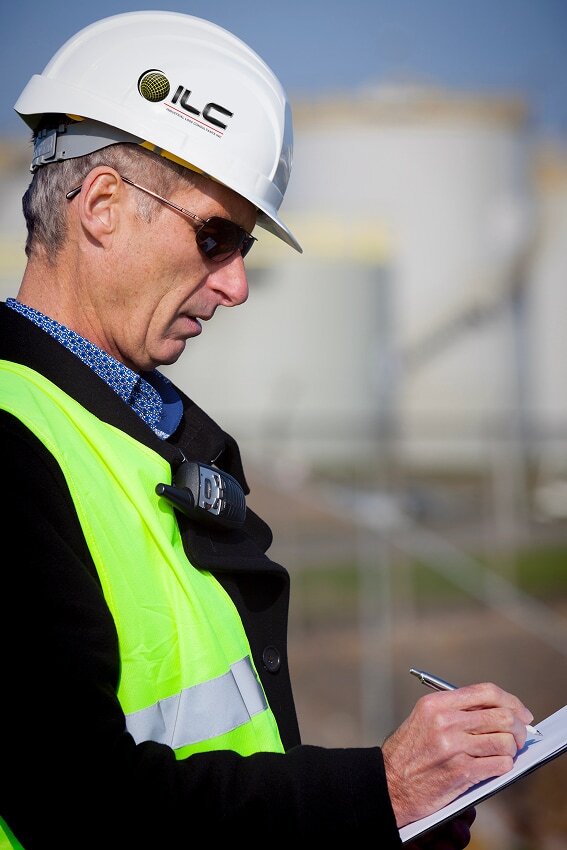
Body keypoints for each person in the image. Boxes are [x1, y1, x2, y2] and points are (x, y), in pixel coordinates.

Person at [0, 10, 536, 848]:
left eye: (243, 246)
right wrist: (376, 793)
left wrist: (392, 813)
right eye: (215, 237)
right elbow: (79, 801)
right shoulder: (12, 444)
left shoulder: (148, 432)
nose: (237, 287)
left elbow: (224, 756)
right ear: (101, 205)